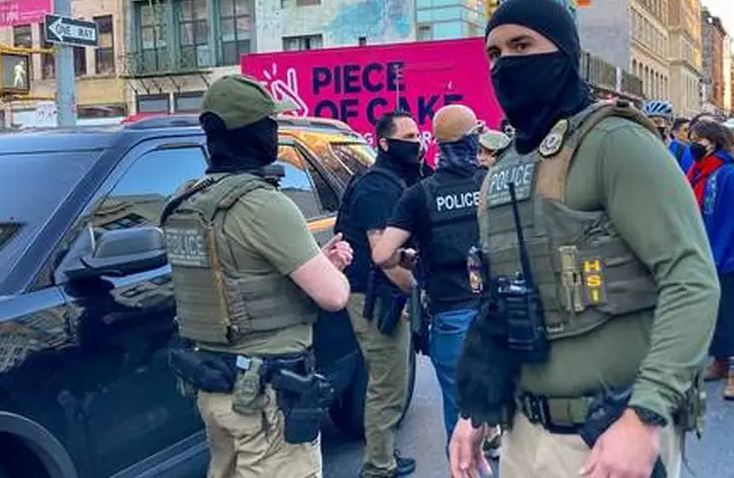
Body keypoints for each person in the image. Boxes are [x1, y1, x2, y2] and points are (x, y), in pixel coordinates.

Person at [449, 0, 720, 478]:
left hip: (609, 436)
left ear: (564, 53)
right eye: (493, 53)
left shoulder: (615, 143)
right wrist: (478, 406)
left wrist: (645, 416)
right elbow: (501, 302)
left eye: (521, 45)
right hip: (523, 435)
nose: (505, 63)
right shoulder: (506, 167)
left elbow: (691, 277)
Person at [160, 74, 354, 478]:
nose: (275, 131)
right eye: (271, 123)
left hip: (214, 386)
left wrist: (315, 260)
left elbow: (233, 275)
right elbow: (334, 296)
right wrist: (330, 266)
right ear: (253, 133)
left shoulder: (187, 200)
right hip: (266, 395)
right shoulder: (264, 205)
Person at [370, 105, 489, 445]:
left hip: (449, 317)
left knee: (459, 415)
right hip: (496, 314)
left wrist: (410, 257)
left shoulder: (419, 194)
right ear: (472, 141)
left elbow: (381, 254)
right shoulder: (488, 183)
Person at [335, 111, 423, 478]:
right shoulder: (377, 188)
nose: (416, 142)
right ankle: (378, 467)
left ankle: (384, 452)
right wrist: (419, 293)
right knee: (388, 384)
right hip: (372, 296)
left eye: (418, 134)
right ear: (385, 143)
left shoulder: (391, 181)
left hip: (377, 294)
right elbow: (382, 254)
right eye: (408, 136)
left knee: (386, 379)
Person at [687, 120, 734, 400]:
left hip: (723, 255)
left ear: (712, 142)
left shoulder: (727, 173)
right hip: (701, 252)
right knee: (710, 312)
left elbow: (730, 220)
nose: (694, 143)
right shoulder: (697, 172)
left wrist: (718, 255)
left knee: (729, 313)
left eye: (698, 138)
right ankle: (720, 360)